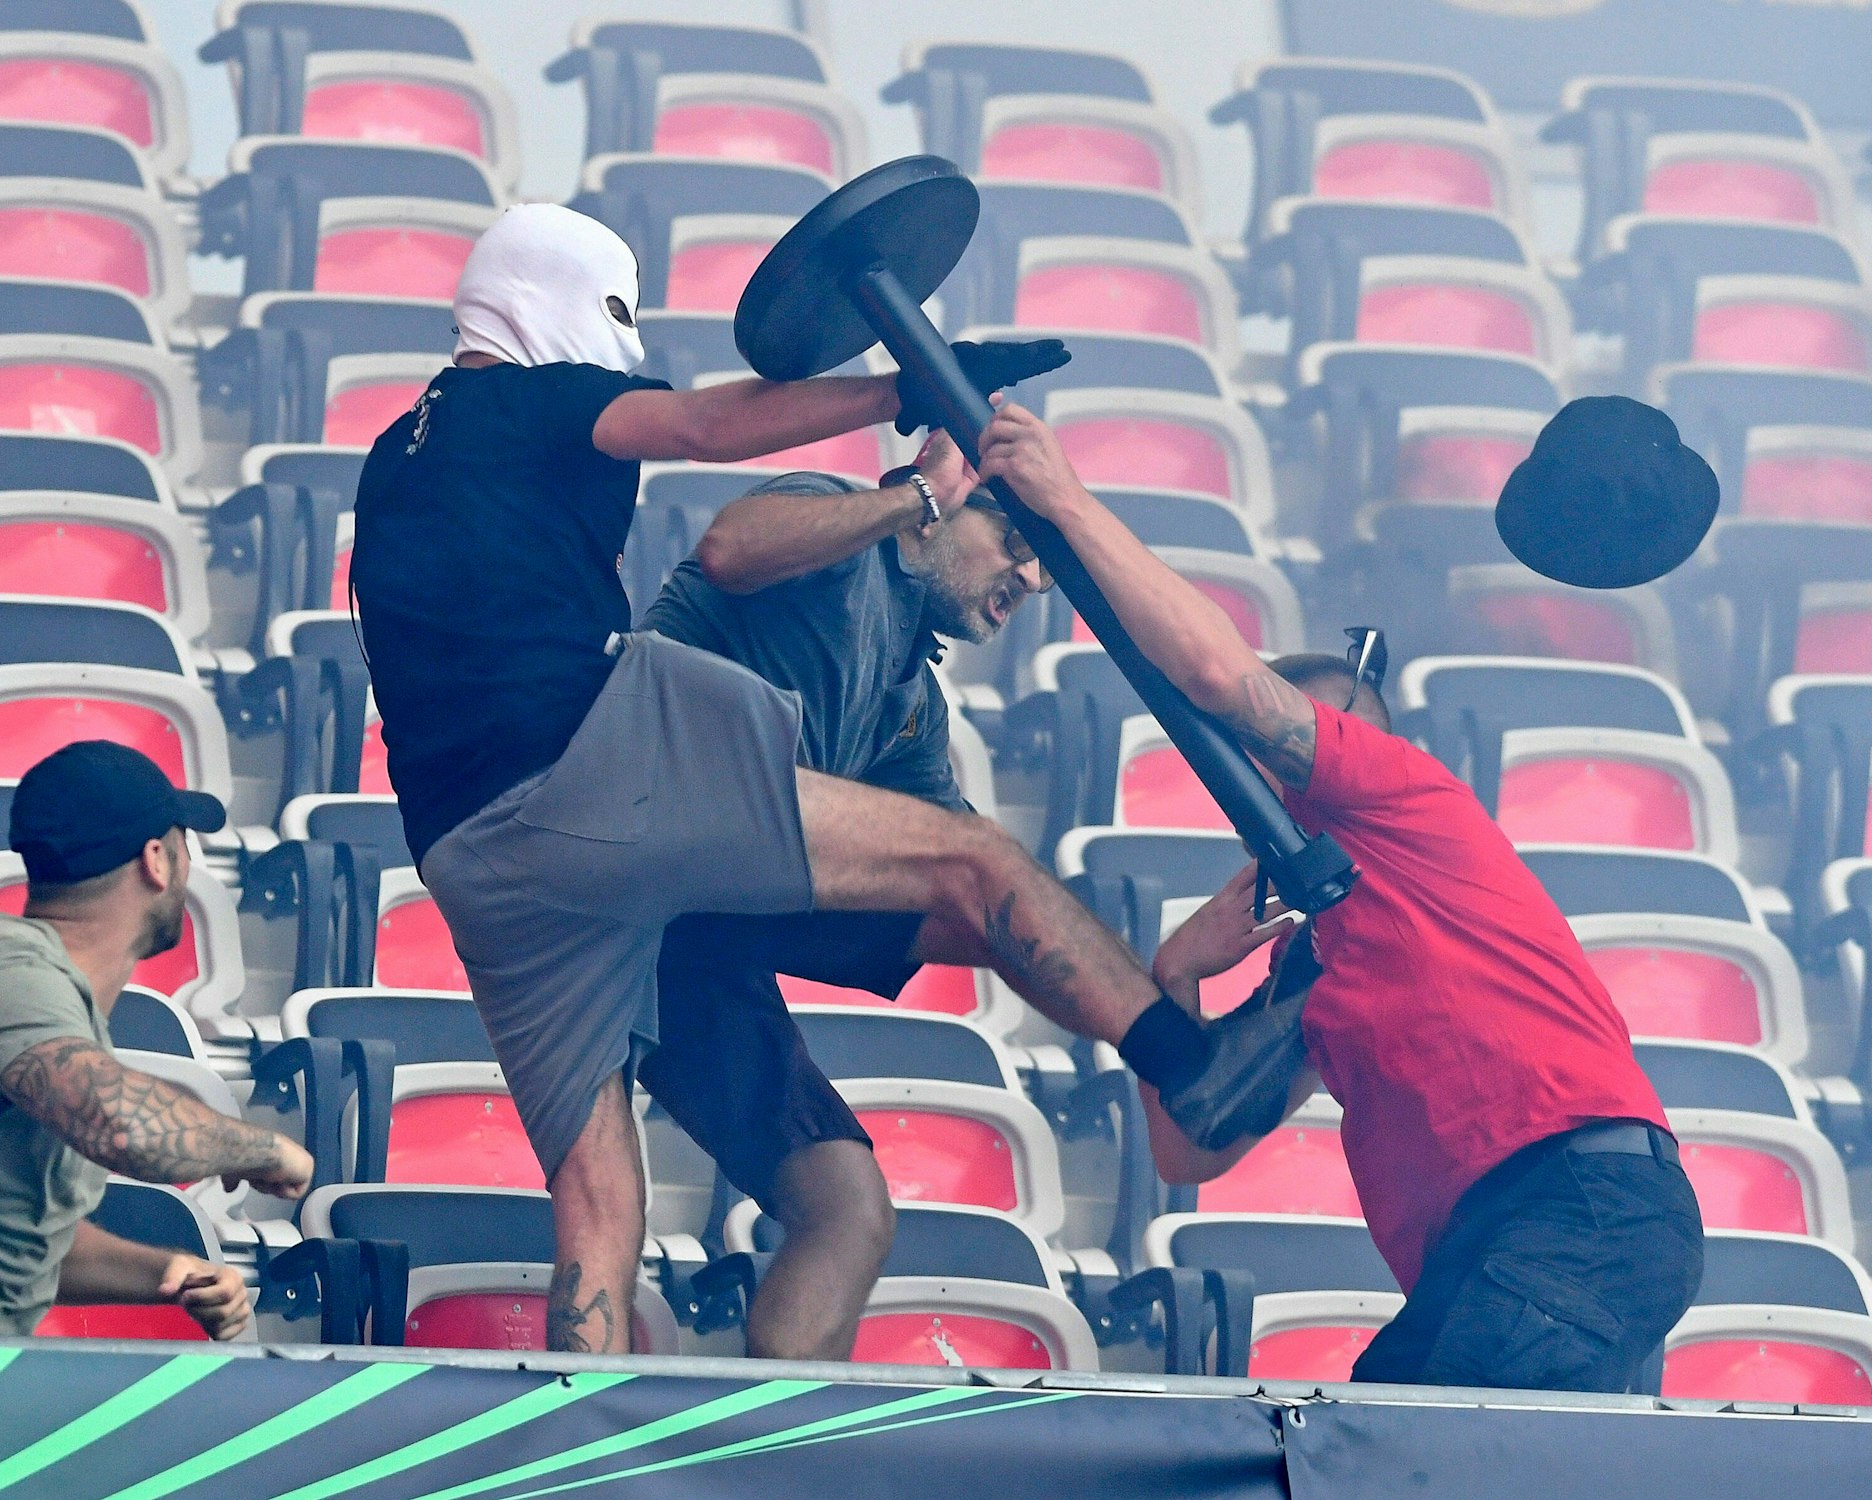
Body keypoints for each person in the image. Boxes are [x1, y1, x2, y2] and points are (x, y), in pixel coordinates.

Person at [351, 204, 1265, 1354]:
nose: (1026, 579)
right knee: (981, 863)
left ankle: (573, 1464)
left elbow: (965, 908)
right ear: (545, 296)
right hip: (594, 771)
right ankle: (1194, 1070)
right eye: (1013, 545)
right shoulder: (523, 395)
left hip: (477, 856)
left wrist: (1152, 960)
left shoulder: (400, 451)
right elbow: (700, 434)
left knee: (611, 1204)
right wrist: (906, 394)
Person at [974, 400, 1705, 1394]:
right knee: (1362, 1446)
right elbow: (1189, 1148)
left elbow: (1212, 675)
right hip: (1509, 1240)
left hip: (1568, 1198)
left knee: (1412, 1460)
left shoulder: (1399, 795)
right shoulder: (1320, 963)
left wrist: (1061, 498)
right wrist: (1175, 976)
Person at [638, 443, 1061, 1359]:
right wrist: (910, 499)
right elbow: (728, 547)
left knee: (851, 1210)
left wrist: (1152, 990)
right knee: (600, 1200)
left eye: (1045, 568)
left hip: (701, 941)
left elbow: (968, 885)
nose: (1028, 578)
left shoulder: (914, 700)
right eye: (1016, 540)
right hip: (613, 873)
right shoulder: (836, 525)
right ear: (948, 505)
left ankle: (782, 1463)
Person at [0, 741, 316, 1340]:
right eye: (186, 844)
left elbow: (28, 1241)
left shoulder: (44, 1000)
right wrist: (267, 1150)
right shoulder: (10, 970)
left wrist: (165, 1270)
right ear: (157, 860)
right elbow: (124, 1127)